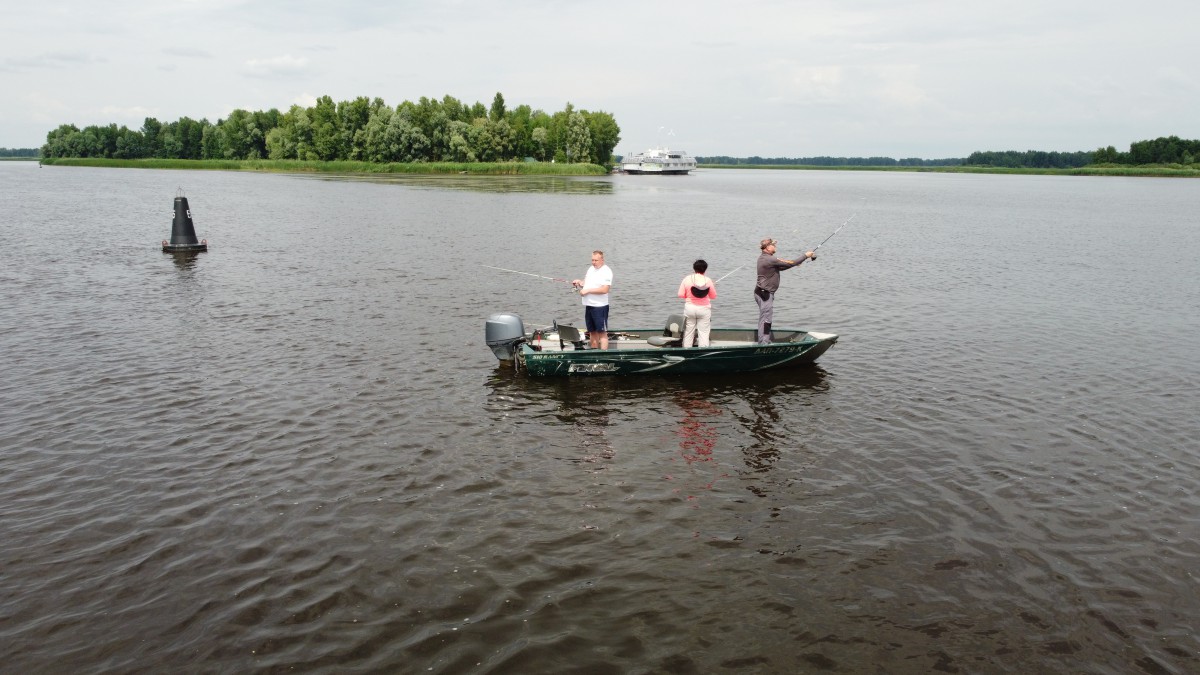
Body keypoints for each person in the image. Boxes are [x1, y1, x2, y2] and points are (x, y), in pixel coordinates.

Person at [754, 238, 815, 344]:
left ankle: (763, 340)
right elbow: (791, 263)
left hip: (761, 292)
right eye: (773, 245)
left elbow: (782, 267)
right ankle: (763, 343)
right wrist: (806, 255)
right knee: (766, 319)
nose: (775, 246)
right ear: (767, 247)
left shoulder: (765, 258)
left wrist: (795, 263)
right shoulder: (770, 259)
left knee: (764, 317)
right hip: (765, 294)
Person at [572, 250, 613, 349]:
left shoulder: (606, 271)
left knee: (602, 332)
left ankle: (603, 355)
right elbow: (586, 282)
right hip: (589, 305)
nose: (593, 262)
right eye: (592, 260)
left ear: (602, 260)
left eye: (596, 260)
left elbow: (605, 289)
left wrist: (588, 291)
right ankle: (594, 352)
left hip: (600, 307)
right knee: (592, 331)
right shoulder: (591, 269)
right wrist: (580, 282)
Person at [677, 259, 717, 347]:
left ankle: (687, 350)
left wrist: (689, 296)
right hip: (704, 309)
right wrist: (711, 286)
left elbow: (680, 294)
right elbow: (713, 296)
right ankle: (703, 351)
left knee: (688, 331)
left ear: (694, 268)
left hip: (690, 309)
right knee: (703, 332)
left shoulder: (687, 279)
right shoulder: (708, 280)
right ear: (705, 269)